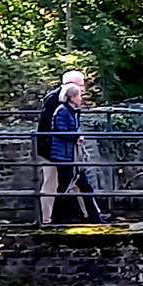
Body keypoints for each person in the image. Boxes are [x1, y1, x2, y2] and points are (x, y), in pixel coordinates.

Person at [49, 83, 109, 223]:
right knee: (67, 185)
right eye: (79, 95)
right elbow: (59, 130)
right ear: (71, 97)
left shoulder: (71, 110)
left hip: (70, 154)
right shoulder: (63, 111)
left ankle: (93, 218)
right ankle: (57, 220)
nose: (81, 98)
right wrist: (76, 136)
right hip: (64, 155)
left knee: (80, 185)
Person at [35, 70, 87, 225]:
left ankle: (91, 214)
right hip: (53, 149)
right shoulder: (56, 100)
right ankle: (47, 218)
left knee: (78, 180)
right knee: (52, 182)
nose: (83, 89)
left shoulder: (67, 102)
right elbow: (51, 126)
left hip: (65, 149)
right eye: (80, 85)